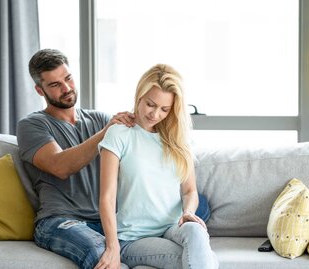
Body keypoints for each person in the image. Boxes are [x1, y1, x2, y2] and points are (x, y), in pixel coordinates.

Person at [16, 48, 135, 269]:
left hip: (107, 221)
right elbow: (60, 165)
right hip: (61, 221)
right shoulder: (32, 125)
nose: (67, 88)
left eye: (68, 78)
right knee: (97, 251)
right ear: (39, 90)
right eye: (55, 85)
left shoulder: (99, 119)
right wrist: (107, 131)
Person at [96, 64, 218, 269]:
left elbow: (190, 191)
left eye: (164, 109)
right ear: (139, 96)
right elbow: (107, 198)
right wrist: (112, 246)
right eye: (150, 104)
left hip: (172, 228)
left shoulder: (178, 140)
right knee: (203, 258)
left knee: (197, 232)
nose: (155, 114)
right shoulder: (119, 134)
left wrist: (188, 212)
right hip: (134, 237)